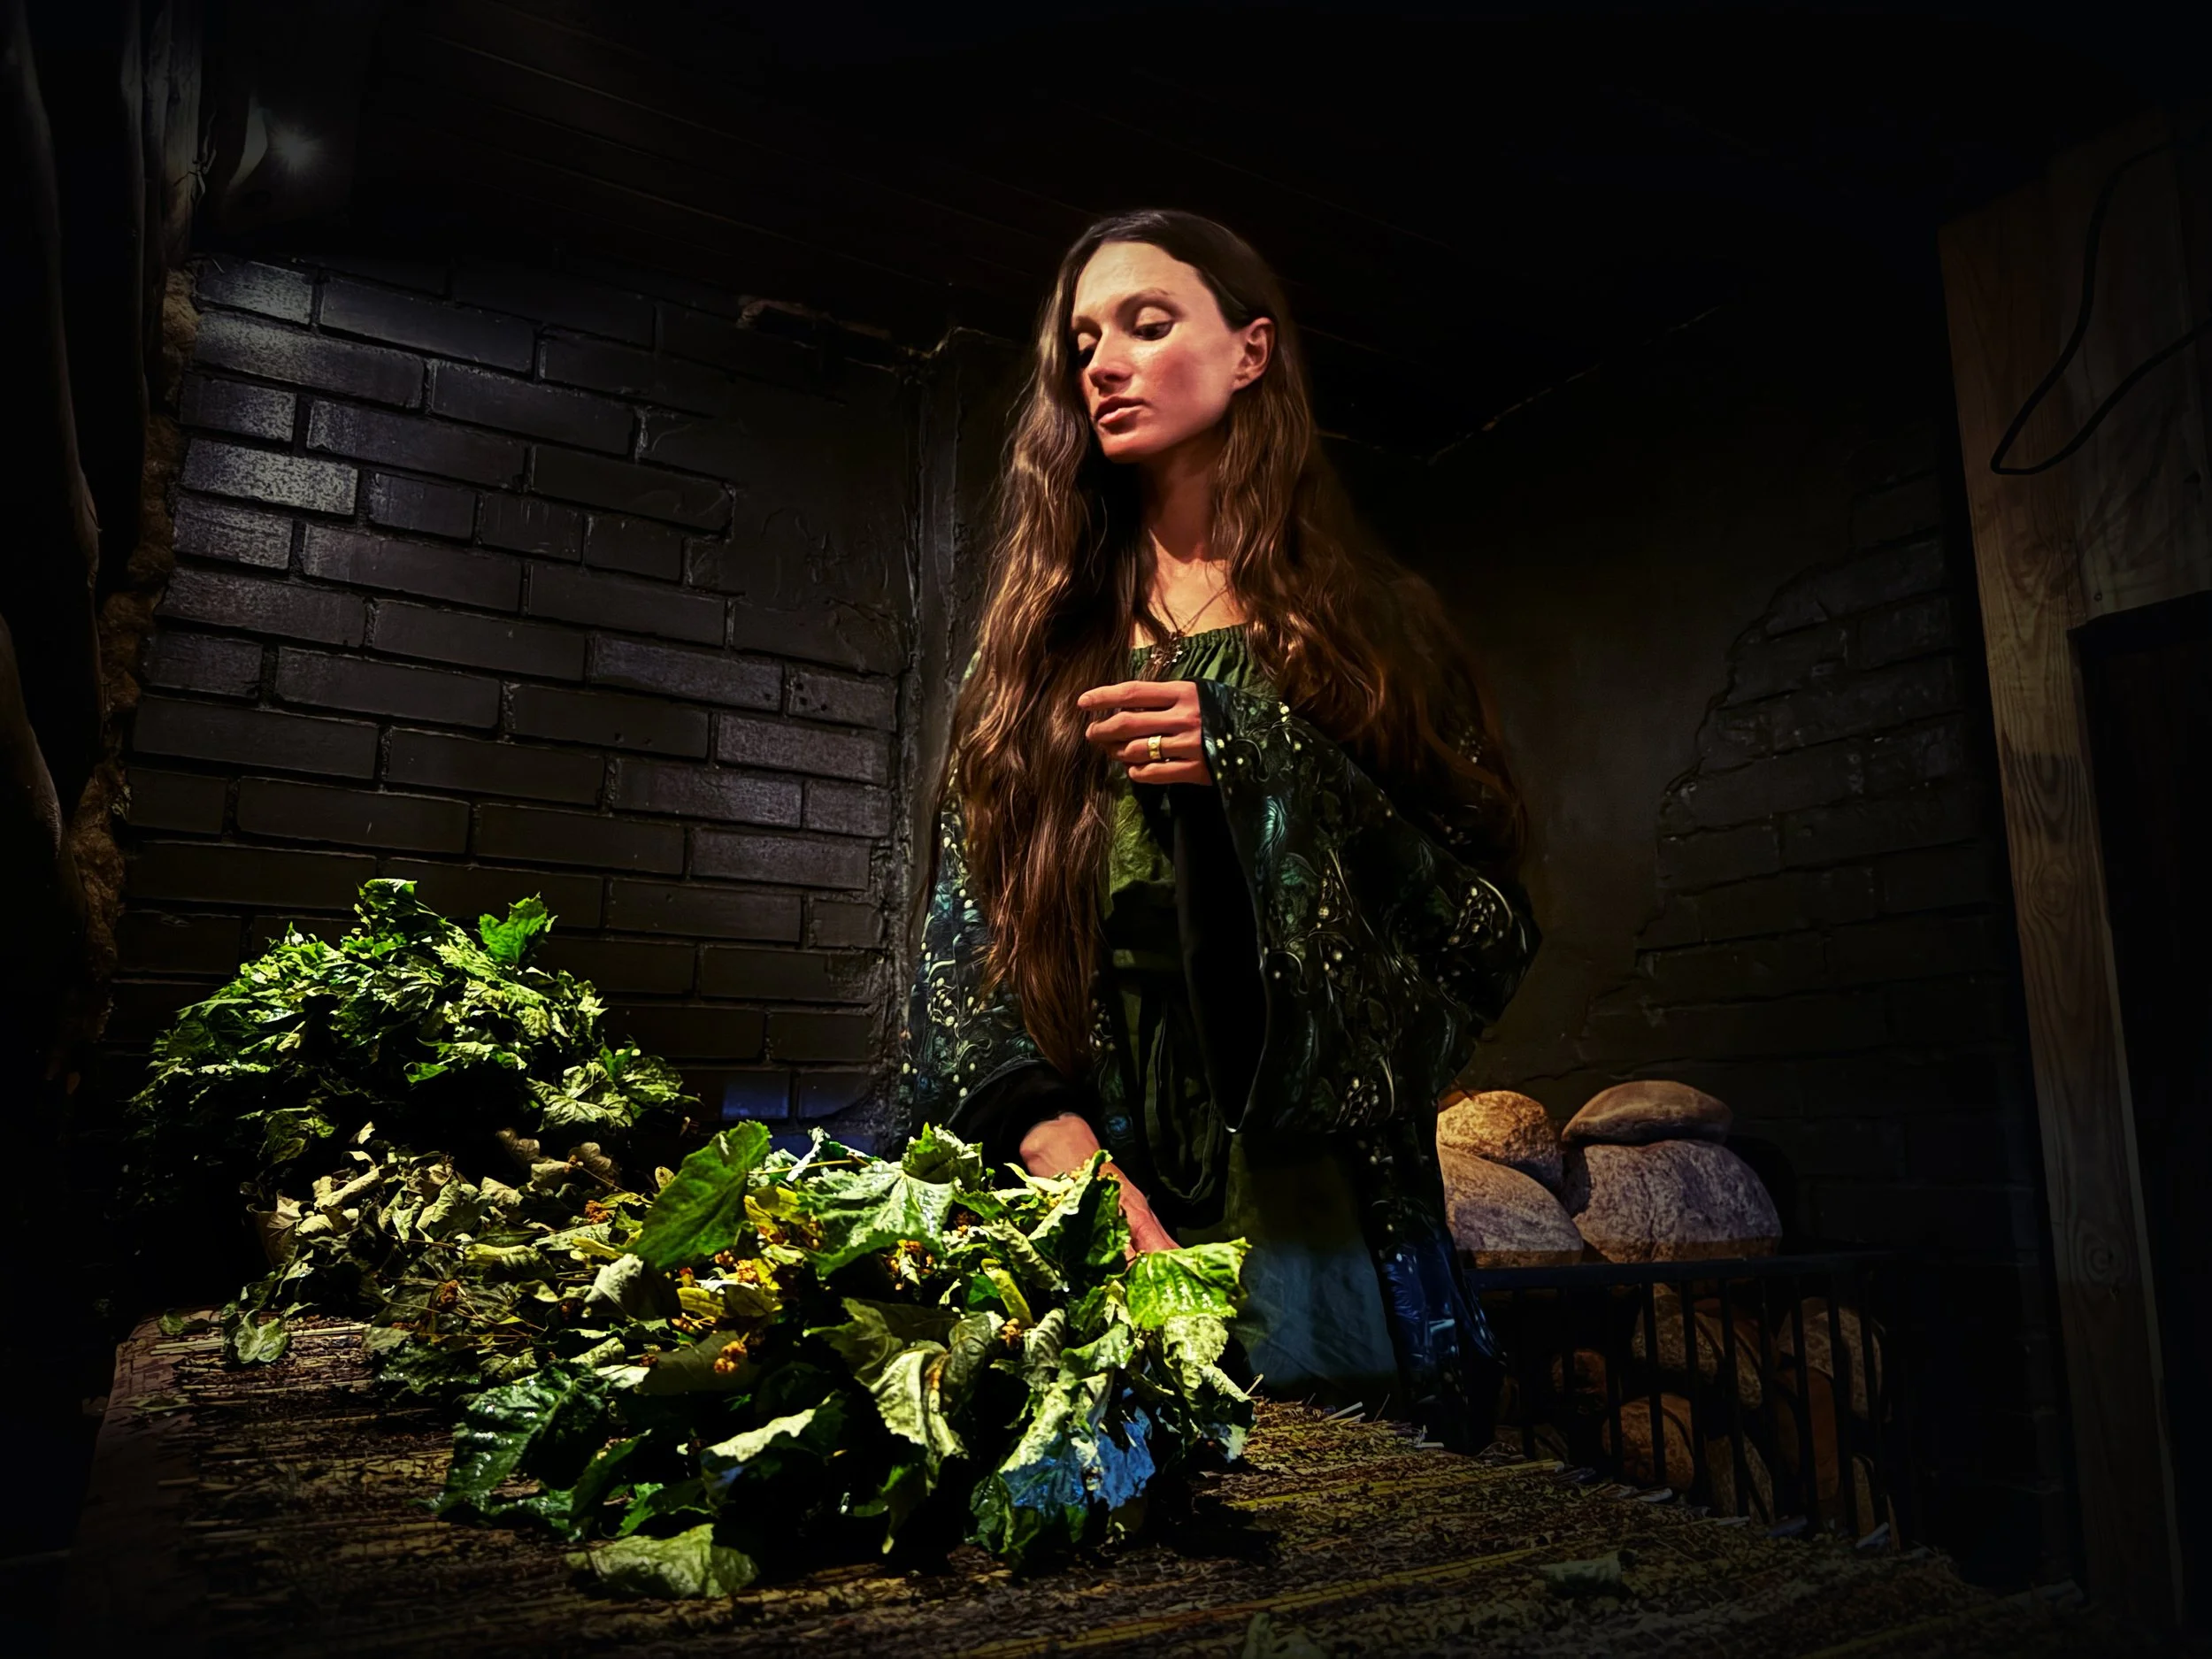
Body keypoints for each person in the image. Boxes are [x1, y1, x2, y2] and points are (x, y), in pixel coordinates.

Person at [892, 208, 1540, 1450]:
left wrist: (1263, 761)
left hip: (1326, 1221)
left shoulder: (1379, 636)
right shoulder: (1034, 654)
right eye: (1084, 340)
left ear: (1249, 352)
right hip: (1092, 1191)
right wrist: (1064, 1156)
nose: (1104, 362)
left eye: (1147, 322)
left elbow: (1484, 929)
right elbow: (959, 956)